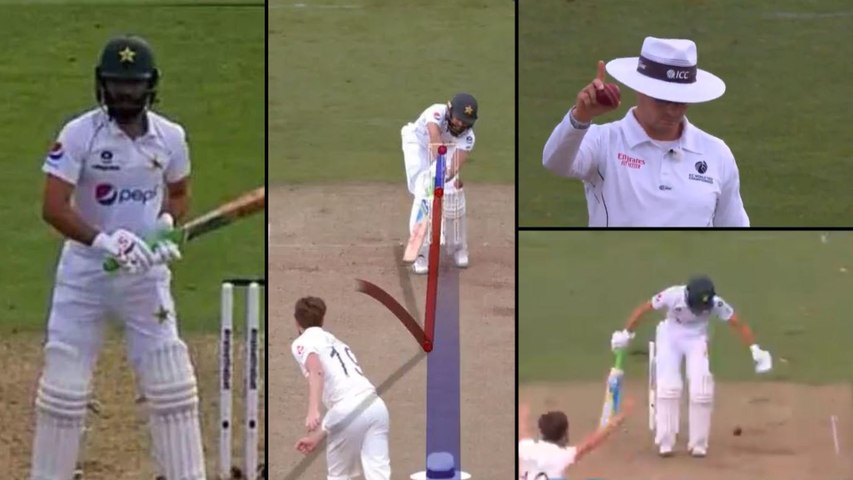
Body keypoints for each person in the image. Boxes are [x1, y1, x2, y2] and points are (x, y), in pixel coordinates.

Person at [31, 34, 203, 479]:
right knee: (63, 392)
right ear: (101, 84)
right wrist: (103, 242)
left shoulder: (170, 137)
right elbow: (53, 206)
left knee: (173, 386)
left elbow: (179, 192)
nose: (125, 94)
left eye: (133, 85)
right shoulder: (78, 134)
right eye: (116, 84)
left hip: (145, 274)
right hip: (85, 275)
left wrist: (164, 224)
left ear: (150, 85)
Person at [542, 36, 749, 227]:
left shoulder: (717, 153)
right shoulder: (604, 141)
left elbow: (734, 229)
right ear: (640, 88)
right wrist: (581, 116)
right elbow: (555, 163)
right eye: (662, 99)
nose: (673, 110)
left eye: (681, 101)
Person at [610, 275, 773, 457]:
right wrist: (626, 333)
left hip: (696, 338)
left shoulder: (716, 303)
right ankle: (665, 441)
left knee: (702, 391)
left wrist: (755, 348)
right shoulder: (672, 295)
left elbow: (736, 322)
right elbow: (645, 309)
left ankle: (699, 444)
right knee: (668, 388)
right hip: (670, 336)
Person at [291, 296, 391, 480]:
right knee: (379, 475)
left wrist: (313, 411)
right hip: (376, 406)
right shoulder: (337, 342)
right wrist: (317, 436)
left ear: (297, 321)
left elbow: (316, 371)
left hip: (347, 410)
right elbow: (350, 411)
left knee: (339, 476)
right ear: (322, 319)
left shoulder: (302, 342)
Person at [401, 93, 478, 273]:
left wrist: (447, 176)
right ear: (449, 110)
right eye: (458, 118)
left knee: (453, 191)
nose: (461, 124)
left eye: (466, 121)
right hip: (418, 144)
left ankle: (458, 247)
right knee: (423, 190)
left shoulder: (468, 137)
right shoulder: (436, 112)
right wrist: (438, 170)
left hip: (447, 148)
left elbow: (455, 165)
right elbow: (435, 140)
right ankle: (420, 252)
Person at [518, 400, 633, 479]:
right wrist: (622, 415)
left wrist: (522, 415)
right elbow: (593, 442)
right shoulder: (563, 455)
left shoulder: (525, 446)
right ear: (565, 434)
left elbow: (523, 431)